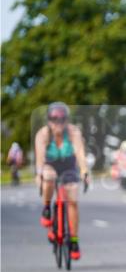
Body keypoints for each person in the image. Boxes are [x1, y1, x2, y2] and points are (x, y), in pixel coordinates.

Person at [34, 102, 89, 260]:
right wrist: (39, 174)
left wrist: (84, 171)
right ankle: (47, 208)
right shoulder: (43, 134)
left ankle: (74, 240)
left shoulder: (73, 132)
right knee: (49, 177)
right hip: (50, 164)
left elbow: (80, 153)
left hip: (68, 165)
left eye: (62, 120)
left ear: (67, 121)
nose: (58, 124)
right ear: (48, 121)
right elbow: (39, 159)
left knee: (72, 200)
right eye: (53, 119)